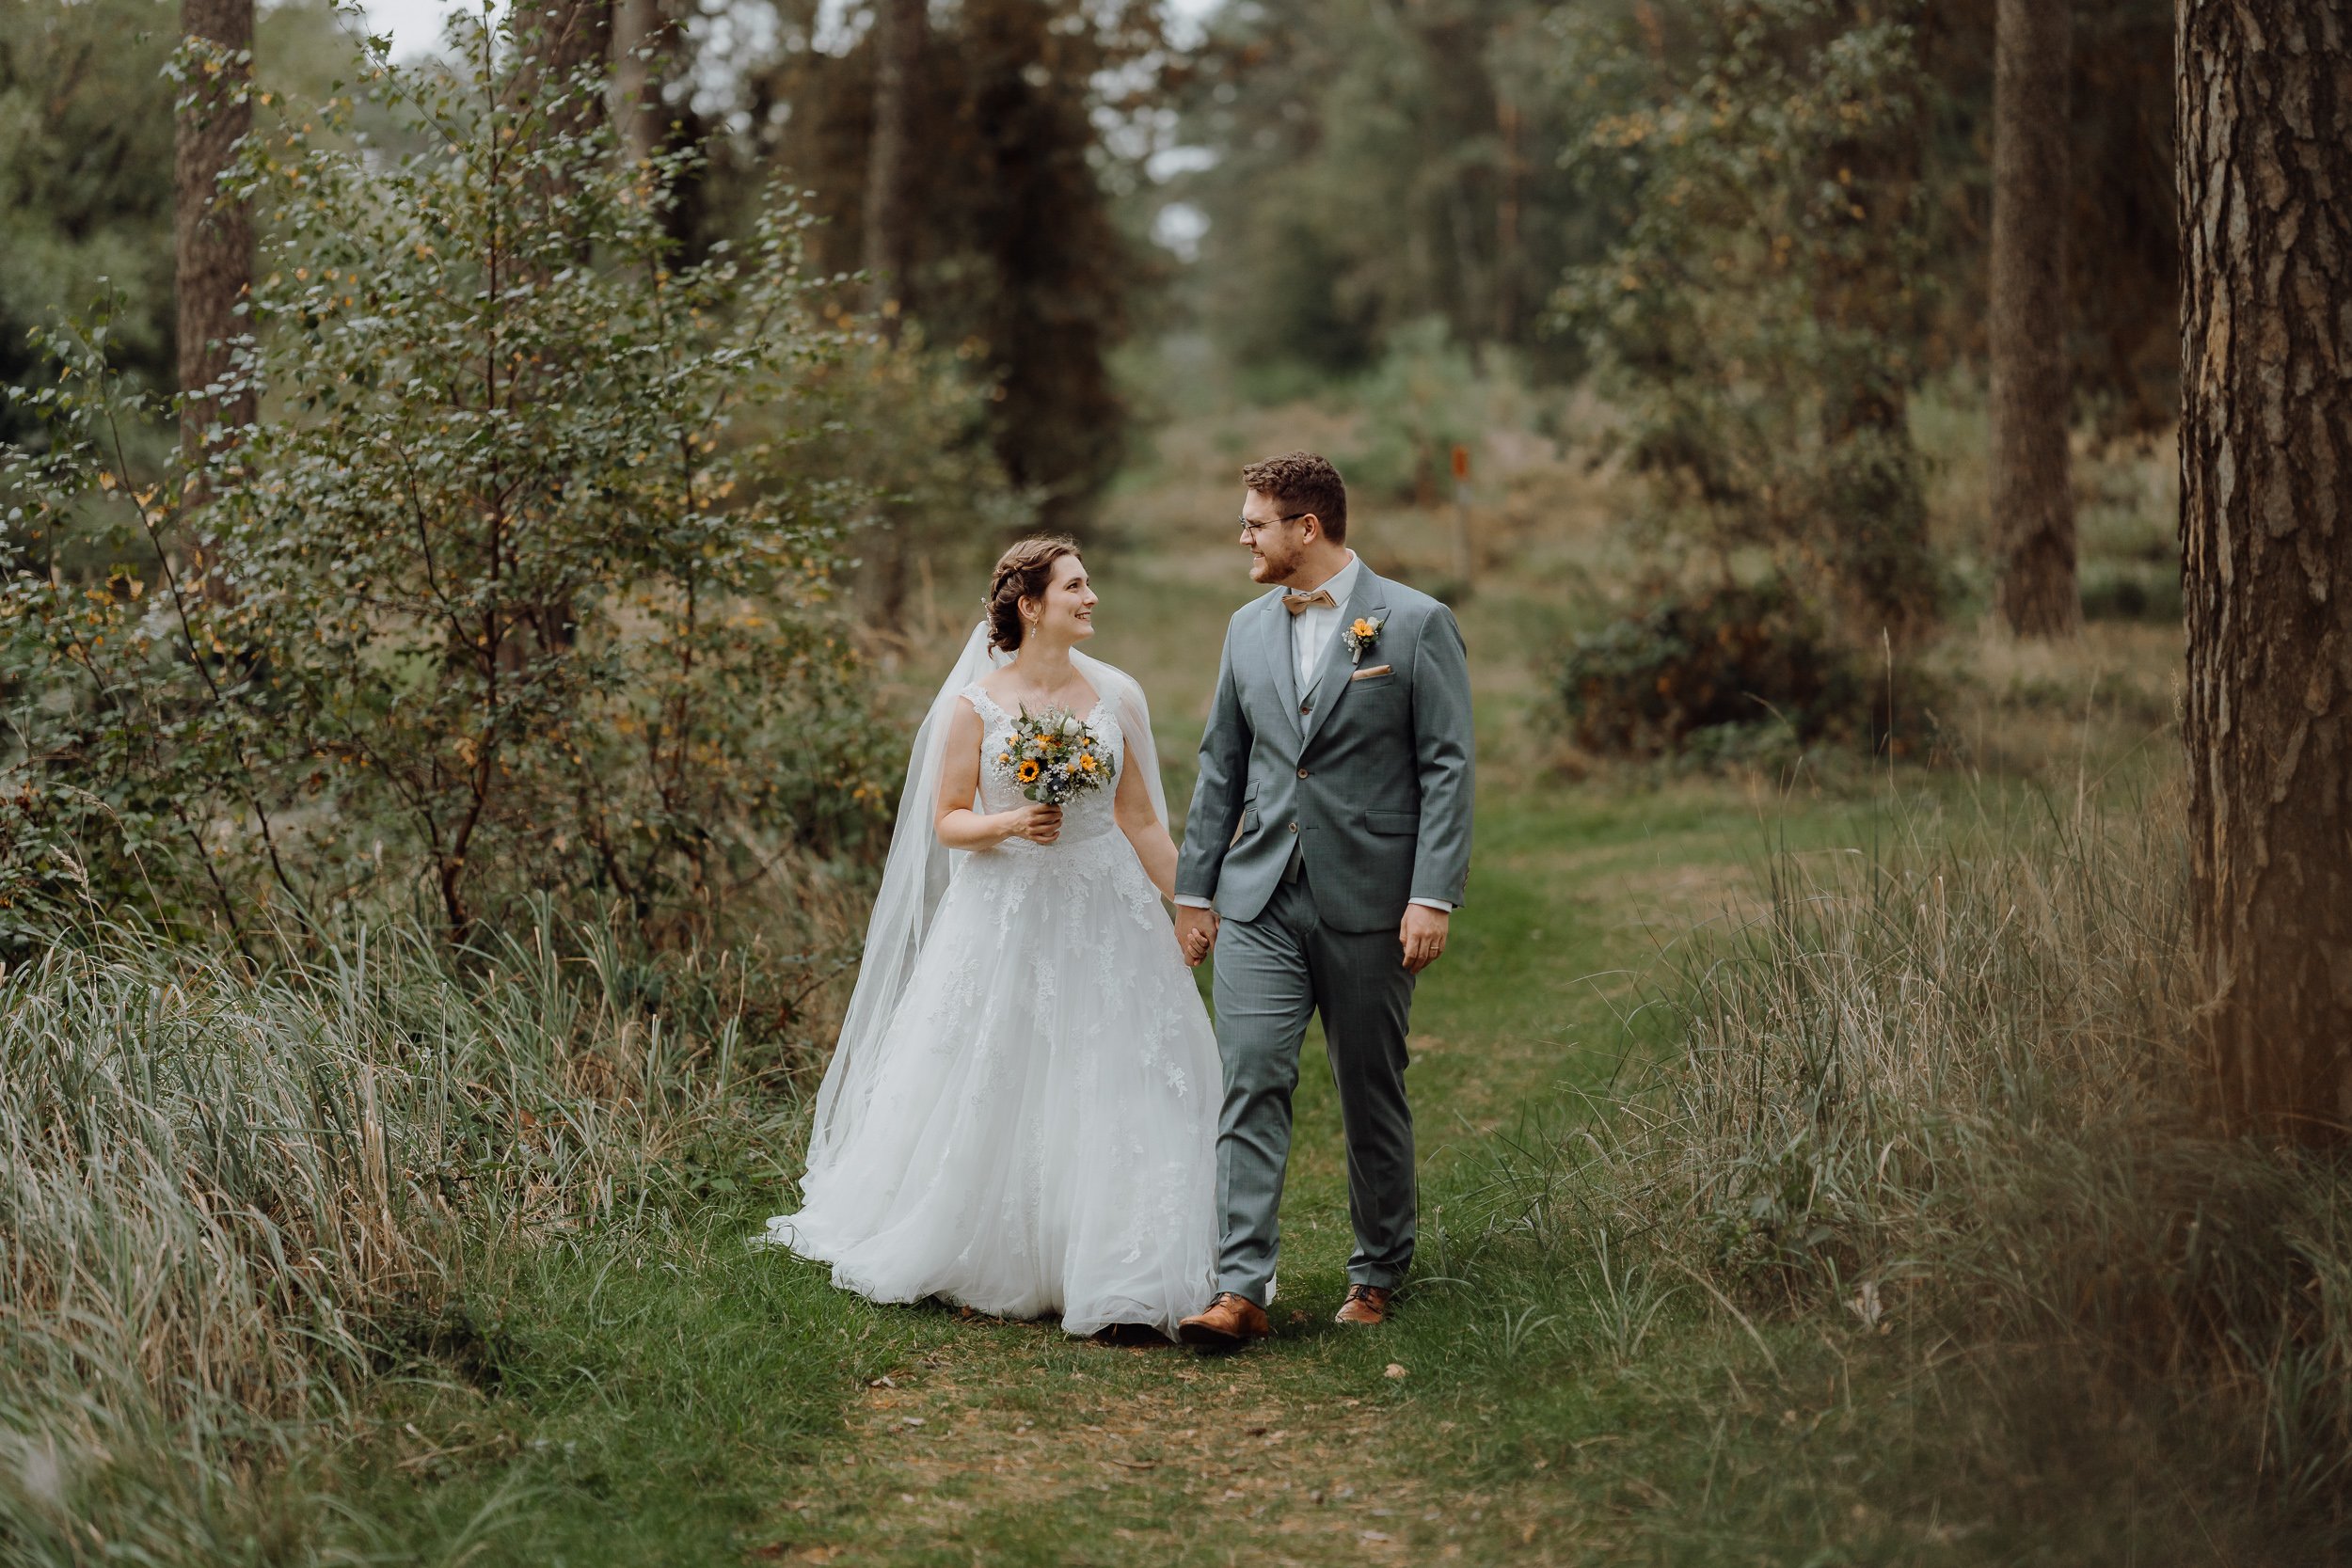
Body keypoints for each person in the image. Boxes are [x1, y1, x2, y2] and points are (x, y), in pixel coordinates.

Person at [761, 537, 1220, 1339]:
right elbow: (947, 820)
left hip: (1104, 907)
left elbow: (1140, 818)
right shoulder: (973, 704)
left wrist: (1187, 901)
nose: (1092, 597)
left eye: (1090, 584)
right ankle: (990, 1244)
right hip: (1005, 912)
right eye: (1076, 586)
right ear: (1031, 605)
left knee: (1118, 1069)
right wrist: (1011, 820)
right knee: (1000, 1071)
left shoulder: (1119, 697)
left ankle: (1123, 1264)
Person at [1171, 451, 1475, 1350]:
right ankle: (1239, 1286)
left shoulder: (1417, 623)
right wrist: (1194, 887)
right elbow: (1222, 763)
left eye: (1256, 522)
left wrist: (1432, 895)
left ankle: (1377, 1271)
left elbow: (1446, 767)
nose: (1243, 536)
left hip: (1375, 900)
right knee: (1253, 1077)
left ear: (1307, 528)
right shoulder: (1244, 628)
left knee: (1368, 1086)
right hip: (1259, 894)